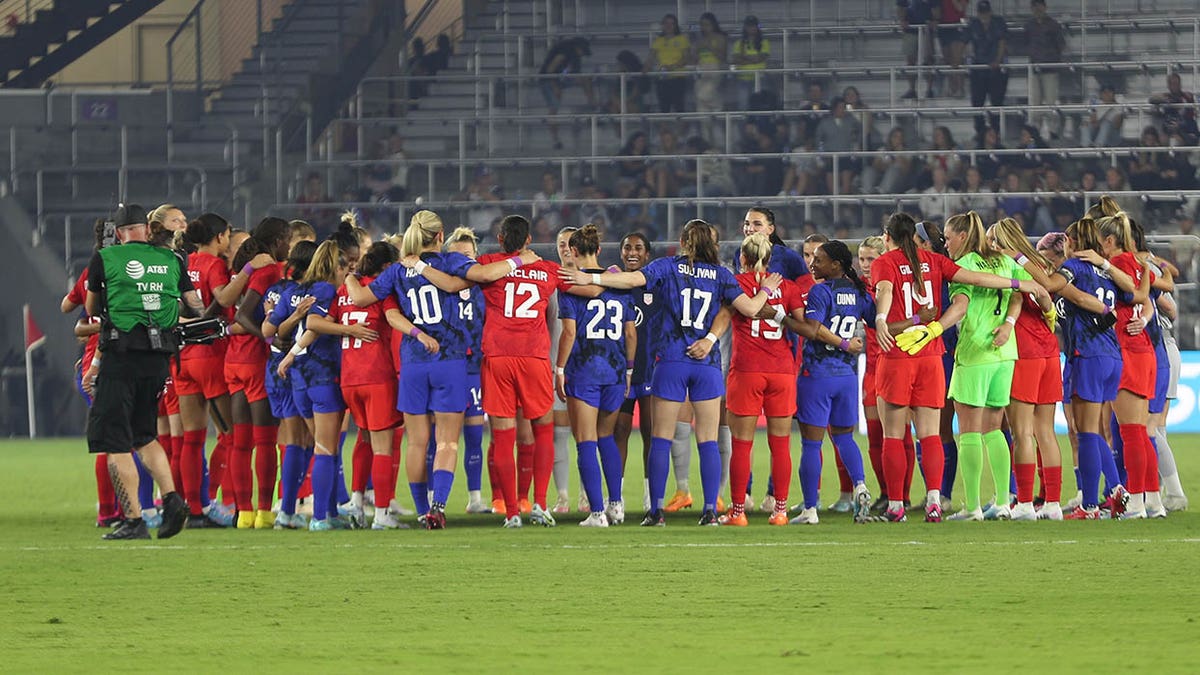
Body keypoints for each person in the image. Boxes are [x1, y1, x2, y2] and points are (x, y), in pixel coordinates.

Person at [560, 220, 783, 527]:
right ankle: (709, 510)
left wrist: (590, 276)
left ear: (682, 241)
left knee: (661, 438)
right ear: (712, 244)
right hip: (706, 363)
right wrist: (767, 290)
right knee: (707, 440)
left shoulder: (667, 267)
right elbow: (748, 308)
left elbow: (630, 280)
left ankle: (656, 511)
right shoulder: (720, 275)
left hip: (671, 361)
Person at [400, 214, 577, 528]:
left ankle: (510, 512)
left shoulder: (489, 265)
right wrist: (608, 275)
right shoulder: (547, 269)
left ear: (499, 239)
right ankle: (540, 504)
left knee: (503, 435)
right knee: (543, 429)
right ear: (528, 241)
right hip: (534, 358)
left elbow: (455, 283)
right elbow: (582, 284)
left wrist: (419, 266)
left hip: (497, 357)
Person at [871, 212, 1046, 523]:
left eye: (949, 237)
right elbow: (989, 285)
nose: (946, 242)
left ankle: (905, 505)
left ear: (888, 237)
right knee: (940, 433)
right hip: (972, 355)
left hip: (913, 351)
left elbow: (886, 291)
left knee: (897, 435)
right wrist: (1022, 285)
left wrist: (883, 319)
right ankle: (946, 502)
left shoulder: (886, 262)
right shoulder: (951, 262)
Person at [84, 204, 200, 540]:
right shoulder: (173, 260)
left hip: (122, 354)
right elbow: (193, 304)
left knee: (115, 439)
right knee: (144, 434)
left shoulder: (105, 258)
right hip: (159, 357)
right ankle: (172, 499)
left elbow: (92, 309)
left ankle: (133, 518)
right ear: (147, 230)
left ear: (119, 233)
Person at [177, 213, 275, 528]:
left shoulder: (185, 263)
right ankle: (234, 506)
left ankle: (194, 508)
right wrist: (248, 270)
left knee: (191, 437)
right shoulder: (216, 266)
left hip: (183, 355)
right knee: (233, 436)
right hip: (212, 353)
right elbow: (222, 299)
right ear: (220, 237)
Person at [938, 212, 1029, 521]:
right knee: (994, 428)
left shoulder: (962, 266)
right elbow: (1020, 292)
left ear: (962, 237)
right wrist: (1009, 325)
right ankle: (1003, 502)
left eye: (948, 238)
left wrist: (936, 329)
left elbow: (960, 306)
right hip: (1004, 353)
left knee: (968, 432)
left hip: (976, 351)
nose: (946, 244)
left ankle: (973, 506)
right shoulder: (1006, 262)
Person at [276, 235, 370, 531]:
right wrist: (350, 330)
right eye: (346, 269)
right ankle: (320, 518)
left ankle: (327, 513)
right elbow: (316, 324)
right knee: (326, 449)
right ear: (337, 267)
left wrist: (290, 355)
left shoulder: (301, 289)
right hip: (323, 377)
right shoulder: (327, 290)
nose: (347, 275)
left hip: (302, 378)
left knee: (321, 447)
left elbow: (293, 328)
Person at [718, 235, 806, 526]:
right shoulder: (789, 287)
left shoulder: (735, 285)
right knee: (780, 444)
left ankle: (738, 512)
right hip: (782, 370)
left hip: (747, 370)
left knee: (741, 444)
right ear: (770, 260)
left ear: (742, 258)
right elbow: (801, 325)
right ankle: (780, 511)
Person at [990, 218, 1073, 520]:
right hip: (1049, 352)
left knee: (1021, 432)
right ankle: (1052, 504)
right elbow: (1048, 301)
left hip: (1023, 352)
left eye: (992, 241)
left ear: (1001, 242)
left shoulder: (1009, 266)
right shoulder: (1039, 264)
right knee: (1046, 431)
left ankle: (1024, 503)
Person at [553, 224, 636, 527]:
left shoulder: (570, 287)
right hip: (614, 370)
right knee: (607, 439)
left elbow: (569, 332)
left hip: (584, 370)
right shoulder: (618, 282)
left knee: (585, 441)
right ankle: (617, 506)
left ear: (573, 252)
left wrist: (559, 369)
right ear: (598, 250)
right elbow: (630, 332)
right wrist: (628, 370)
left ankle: (597, 513)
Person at [790, 241, 874, 525]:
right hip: (848, 377)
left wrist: (781, 318)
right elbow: (879, 321)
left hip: (818, 375)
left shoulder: (820, 291)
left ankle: (810, 510)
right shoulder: (858, 291)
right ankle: (860, 486)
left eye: (819, 259)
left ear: (836, 265)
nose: (813, 264)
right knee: (844, 438)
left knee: (811, 445)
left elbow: (814, 330)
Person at [226, 218, 291, 529]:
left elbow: (230, 309)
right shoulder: (268, 272)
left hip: (233, 360)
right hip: (254, 360)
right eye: (287, 240)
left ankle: (243, 513)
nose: (288, 247)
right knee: (264, 441)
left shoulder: (243, 269)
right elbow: (243, 312)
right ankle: (264, 512)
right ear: (277, 240)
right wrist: (268, 338)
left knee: (240, 441)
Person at [262, 241, 318, 529]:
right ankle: (288, 507)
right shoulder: (307, 293)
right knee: (301, 439)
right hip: (294, 370)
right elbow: (272, 334)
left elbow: (267, 331)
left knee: (302, 439)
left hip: (277, 369)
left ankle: (295, 502)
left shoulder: (278, 290)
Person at [441, 227, 491, 514]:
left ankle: (474, 499)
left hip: (473, 369)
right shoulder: (438, 285)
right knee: (439, 437)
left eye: (469, 256)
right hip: (445, 366)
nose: (463, 262)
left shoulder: (482, 289)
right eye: (458, 256)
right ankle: (436, 500)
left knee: (474, 436)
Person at [612, 232, 656, 511]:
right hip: (622, 371)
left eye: (639, 248)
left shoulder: (656, 285)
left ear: (647, 255)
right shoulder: (613, 285)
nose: (632, 252)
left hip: (651, 370)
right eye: (627, 246)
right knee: (620, 431)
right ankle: (616, 498)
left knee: (652, 433)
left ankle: (652, 496)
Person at [539, 37, 593, 149]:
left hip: (561, 77)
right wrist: (555, 85)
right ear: (578, 48)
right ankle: (555, 139)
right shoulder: (564, 52)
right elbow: (549, 70)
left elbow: (571, 72)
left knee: (586, 79)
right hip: (547, 80)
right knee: (554, 106)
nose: (582, 55)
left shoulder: (574, 56)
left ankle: (593, 106)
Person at [966, 0, 1009, 138]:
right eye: (981, 12)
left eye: (985, 12)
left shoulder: (999, 22)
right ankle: (980, 131)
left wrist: (997, 60)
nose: (983, 15)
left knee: (997, 102)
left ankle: (995, 131)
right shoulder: (973, 24)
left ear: (990, 12)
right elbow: (965, 43)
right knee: (977, 102)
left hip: (995, 70)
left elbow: (1002, 42)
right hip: (979, 69)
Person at [1024, 0, 1066, 137]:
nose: (1037, 8)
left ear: (1045, 7)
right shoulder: (1029, 25)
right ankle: (1036, 130)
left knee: (1050, 101)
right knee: (1035, 102)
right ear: (1031, 8)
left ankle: (1053, 130)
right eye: (1034, 5)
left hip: (1050, 67)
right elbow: (1025, 43)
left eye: (1039, 5)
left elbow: (1061, 44)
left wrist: (1053, 58)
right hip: (1035, 67)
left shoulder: (1053, 25)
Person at [646, 14, 691, 113]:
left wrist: (673, 67)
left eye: (672, 23)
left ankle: (680, 128)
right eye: (666, 23)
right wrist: (646, 67)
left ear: (675, 26)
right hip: (662, 77)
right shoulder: (658, 41)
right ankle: (665, 128)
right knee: (663, 106)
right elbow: (651, 57)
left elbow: (687, 57)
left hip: (678, 77)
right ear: (662, 25)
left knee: (678, 106)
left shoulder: (682, 39)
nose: (669, 26)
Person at [691, 12, 728, 124]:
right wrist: (694, 49)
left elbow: (723, 57)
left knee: (704, 94)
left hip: (715, 68)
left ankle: (719, 108)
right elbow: (694, 59)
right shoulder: (699, 40)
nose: (704, 27)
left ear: (713, 25)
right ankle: (706, 127)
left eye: (707, 24)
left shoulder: (720, 38)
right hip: (701, 69)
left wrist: (709, 46)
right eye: (702, 25)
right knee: (699, 102)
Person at [898, 0, 938, 99]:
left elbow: (936, 8)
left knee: (928, 60)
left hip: (927, 29)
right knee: (910, 60)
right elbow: (900, 7)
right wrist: (902, 20)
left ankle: (929, 90)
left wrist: (935, 20)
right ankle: (912, 89)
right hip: (910, 30)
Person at [730, 15, 770, 111]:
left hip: (759, 78)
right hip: (742, 78)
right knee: (743, 105)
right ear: (745, 27)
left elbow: (761, 58)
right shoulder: (738, 43)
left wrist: (744, 56)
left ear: (757, 27)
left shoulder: (764, 42)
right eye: (749, 26)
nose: (751, 28)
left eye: (753, 25)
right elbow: (735, 61)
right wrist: (753, 59)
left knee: (759, 105)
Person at [1149, 72, 1199, 145]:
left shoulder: (1187, 96)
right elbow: (1151, 99)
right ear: (1168, 86)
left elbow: (1193, 102)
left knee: (1177, 142)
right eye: (1171, 84)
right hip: (1169, 129)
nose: (1174, 86)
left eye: (1176, 83)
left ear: (1180, 84)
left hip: (1186, 129)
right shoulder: (1166, 96)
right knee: (1162, 140)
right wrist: (1165, 100)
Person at [939, 0, 969, 97]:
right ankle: (952, 87)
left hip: (956, 25)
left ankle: (960, 88)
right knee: (947, 59)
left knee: (957, 59)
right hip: (943, 26)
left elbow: (961, 8)